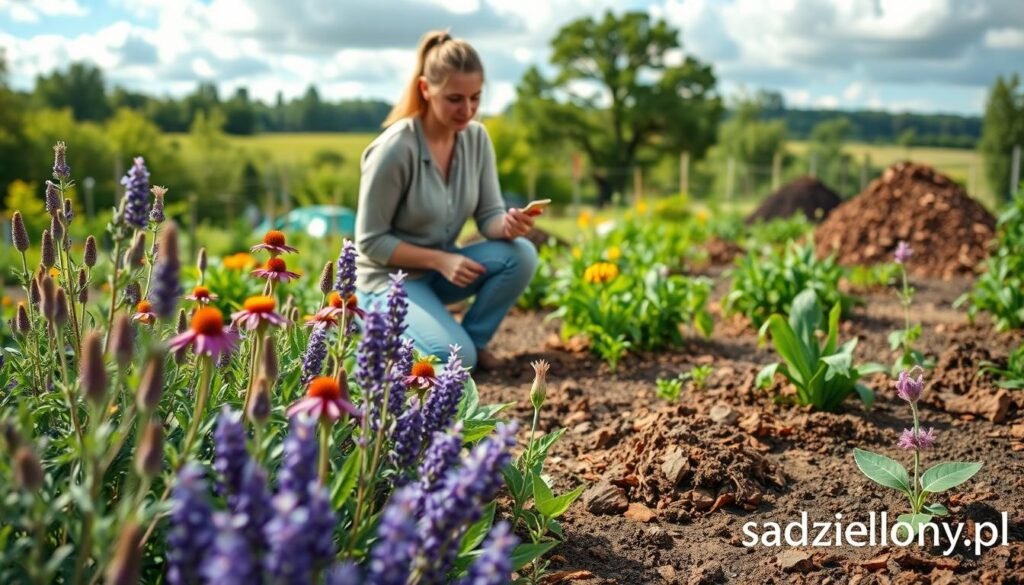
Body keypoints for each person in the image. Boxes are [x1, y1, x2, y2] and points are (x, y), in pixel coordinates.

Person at [354, 30, 540, 371]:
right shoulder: (394, 150)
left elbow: (488, 216)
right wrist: (440, 260)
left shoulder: (476, 139)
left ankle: (470, 340)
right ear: (426, 89)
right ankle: (372, 329)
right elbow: (370, 242)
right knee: (455, 359)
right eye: (455, 98)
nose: (467, 110)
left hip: (439, 273)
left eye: (475, 98)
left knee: (521, 254)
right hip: (388, 282)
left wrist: (509, 224)